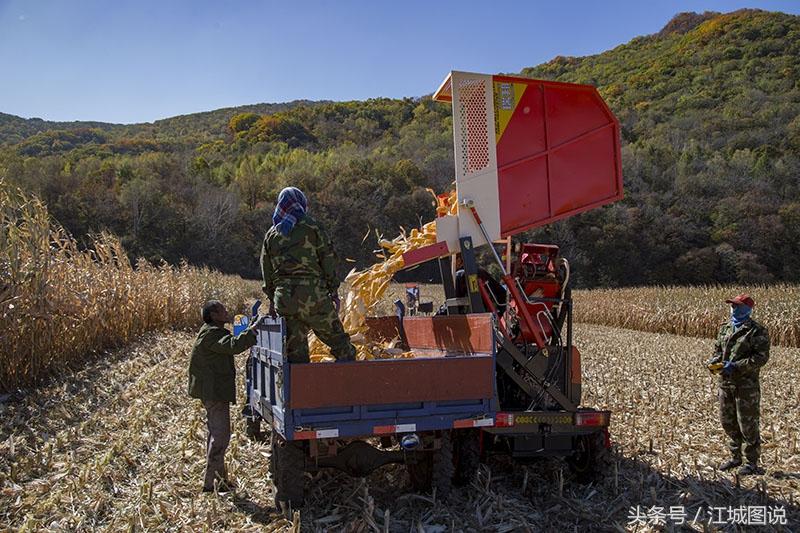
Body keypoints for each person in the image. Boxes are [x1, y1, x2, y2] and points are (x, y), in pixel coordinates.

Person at [260, 187, 356, 363]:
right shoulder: (313, 226)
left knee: (295, 355)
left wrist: (272, 299)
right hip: (314, 297)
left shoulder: (271, 234)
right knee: (340, 344)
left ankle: (299, 389)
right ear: (301, 203)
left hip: (285, 300)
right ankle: (351, 383)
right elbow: (328, 260)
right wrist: (333, 291)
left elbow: (266, 271)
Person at [188, 300, 261, 492]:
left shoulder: (211, 332)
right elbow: (233, 346)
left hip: (214, 390)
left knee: (216, 434)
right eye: (222, 310)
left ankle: (219, 481)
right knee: (221, 437)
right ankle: (209, 483)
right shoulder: (211, 335)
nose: (227, 311)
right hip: (214, 391)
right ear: (213, 315)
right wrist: (252, 332)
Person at [707, 293, 770, 476]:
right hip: (726, 384)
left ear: (748, 309)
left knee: (747, 424)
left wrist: (735, 366)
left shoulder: (757, 331)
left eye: (739, 306)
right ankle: (735, 457)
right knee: (728, 422)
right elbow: (718, 350)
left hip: (746, 386)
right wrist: (714, 362)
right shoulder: (725, 328)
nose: (735, 309)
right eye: (733, 306)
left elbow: (761, 358)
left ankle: (751, 463)